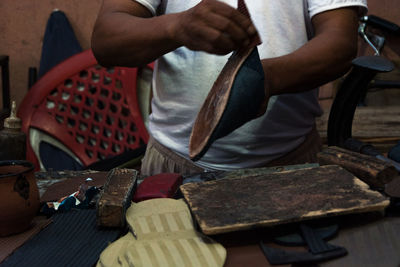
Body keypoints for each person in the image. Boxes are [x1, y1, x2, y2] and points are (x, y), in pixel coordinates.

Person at [91, 0, 368, 176]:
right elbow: (106, 39)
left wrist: (263, 79)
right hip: (173, 167)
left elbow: (340, 43)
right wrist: (176, 26)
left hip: (289, 164)